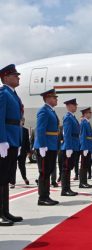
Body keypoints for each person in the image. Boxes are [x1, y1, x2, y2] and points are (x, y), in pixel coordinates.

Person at [0, 64, 23, 225]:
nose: (18, 77)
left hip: (13, 140)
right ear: (5, 78)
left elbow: (18, 122)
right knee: (1, 178)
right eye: (15, 75)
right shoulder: (3, 93)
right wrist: (1, 140)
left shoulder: (14, 95)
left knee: (6, 177)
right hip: (6, 140)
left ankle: (5, 211)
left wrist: (19, 141)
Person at [33, 89, 60, 206]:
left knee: (48, 171)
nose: (56, 99)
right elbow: (40, 129)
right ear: (47, 98)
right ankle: (42, 198)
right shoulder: (43, 111)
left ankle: (46, 196)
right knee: (44, 172)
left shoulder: (51, 111)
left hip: (51, 145)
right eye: (54, 97)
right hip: (45, 146)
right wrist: (42, 146)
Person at [60, 98, 79, 197]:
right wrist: (68, 147)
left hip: (74, 145)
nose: (76, 106)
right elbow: (66, 133)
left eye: (75, 105)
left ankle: (68, 188)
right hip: (69, 145)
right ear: (68, 106)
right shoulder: (68, 117)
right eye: (74, 105)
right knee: (66, 169)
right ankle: (65, 190)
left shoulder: (73, 117)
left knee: (69, 168)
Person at [11, 118, 30, 188]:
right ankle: (12, 182)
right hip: (14, 151)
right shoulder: (14, 129)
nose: (20, 122)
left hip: (22, 152)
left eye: (22, 121)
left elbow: (27, 142)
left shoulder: (25, 130)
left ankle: (25, 178)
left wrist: (28, 151)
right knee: (13, 167)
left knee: (22, 166)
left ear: (23, 122)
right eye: (20, 121)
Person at [79, 107, 92, 189]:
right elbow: (82, 136)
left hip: (88, 146)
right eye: (89, 112)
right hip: (85, 146)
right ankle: (82, 182)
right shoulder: (84, 123)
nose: (90, 114)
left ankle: (84, 182)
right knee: (83, 165)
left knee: (86, 164)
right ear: (85, 114)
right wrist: (84, 147)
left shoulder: (87, 122)